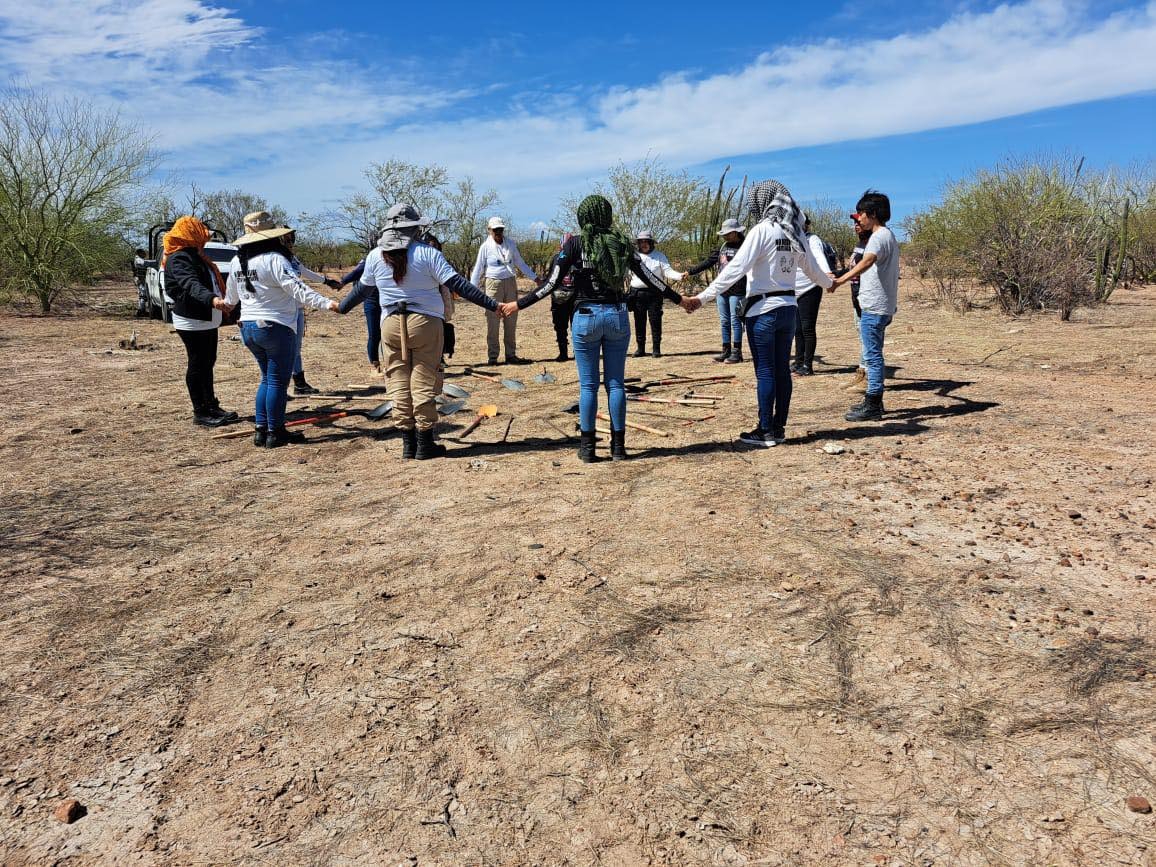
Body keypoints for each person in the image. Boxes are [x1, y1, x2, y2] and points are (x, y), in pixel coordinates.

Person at [499, 195, 689, 462]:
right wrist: (681, 300)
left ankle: (588, 449)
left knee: (588, 386)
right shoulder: (621, 243)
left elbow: (552, 282)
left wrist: (518, 304)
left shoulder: (575, 243)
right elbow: (648, 276)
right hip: (617, 316)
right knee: (616, 384)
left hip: (586, 316)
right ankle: (619, 448)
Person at [338, 204, 502, 460]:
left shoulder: (374, 256)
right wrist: (494, 306)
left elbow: (362, 290)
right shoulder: (427, 253)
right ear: (412, 228)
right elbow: (458, 284)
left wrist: (342, 308)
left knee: (398, 380)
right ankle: (425, 443)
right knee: (424, 379)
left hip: (390, 324)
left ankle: (407, 443)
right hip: (425, 323)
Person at [682, 180, 834, 447]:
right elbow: (812, 270)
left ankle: (765, 431)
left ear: (761, 202)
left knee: (765, 372)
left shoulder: (762, 231)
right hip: (788, 309)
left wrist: (701, 298)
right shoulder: (793, 232)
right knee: (782, 372)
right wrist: (830, 283)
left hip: (763, 310)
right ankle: (778, 428)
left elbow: (734, 269)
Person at [225, 222, 340, 448]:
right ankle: (276, 431)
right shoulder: (274, 259)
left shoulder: (236, 261)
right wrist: (328, 304)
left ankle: (262, 430)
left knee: (267, 379)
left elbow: (231, 299)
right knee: (277, 381)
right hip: (275, 327)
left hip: (248, 328)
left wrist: (222, 304)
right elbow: (298, 289)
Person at [829, 190, 899, 422]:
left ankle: (873, 404)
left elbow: (867, 261)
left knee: (872, 356)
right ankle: (872, 400)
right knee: (873, 354)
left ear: (873, 214)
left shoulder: (879, 237)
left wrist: (840, 281)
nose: (859, 218)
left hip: (875, 307)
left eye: (861, 213)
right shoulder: (888, 235)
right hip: (881, 306)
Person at [162, 217, 238, 427]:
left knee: (208, 362)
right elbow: (191, 284)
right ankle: (201, 412)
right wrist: (212, 299)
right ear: (190, 234)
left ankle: (211, 404)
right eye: (200, 232)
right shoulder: (179, 258)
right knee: (198, 364)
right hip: (192, 320)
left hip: (206, 318)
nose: (205, 236)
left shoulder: (195, 255)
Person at [470, 216, 539, 365]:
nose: (498, 232)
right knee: (492, 321)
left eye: (500, 229)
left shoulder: (511, 244)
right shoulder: (485, 247)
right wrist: (470, 289)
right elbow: (478, 269)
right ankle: (493, 357)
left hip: (510, 282)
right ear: (489, 230)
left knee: (511, 319)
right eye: (495, 230)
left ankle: (511, 355)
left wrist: (536, 278)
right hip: (493, 284)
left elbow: (521, 263)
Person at [686, 218, 747, 364]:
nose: (724, 236)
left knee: (735, 320)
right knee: (724, 320)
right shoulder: (722, 247)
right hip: (722, 290)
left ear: (735, 232)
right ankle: (725, 350)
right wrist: (691, 271)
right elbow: (709, 261)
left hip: (738, 289)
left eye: (727, 233)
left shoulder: (745, 247)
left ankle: (737, 352)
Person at [629, 230, 684, 358]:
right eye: (641, 242)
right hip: (637, 293)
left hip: (655, 294)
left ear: (651, 243)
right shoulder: (634, 256)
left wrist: (680, 276)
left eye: (646, 242)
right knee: (639, 322)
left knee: (655, 320)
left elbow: (668, 272)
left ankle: (656, 349)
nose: (643, 244)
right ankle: (640, 348)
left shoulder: (660, 256)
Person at [791, 217, 835, 376]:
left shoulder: (812, 239)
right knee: (797, 329)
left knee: (807, 328)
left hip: (810, 288)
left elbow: (818, 256)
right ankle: (798, 361)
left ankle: (807, 366)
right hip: (794, 290)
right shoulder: (792, 240)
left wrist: (827, 273)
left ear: (806, 224)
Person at [842, 222, 873, 393]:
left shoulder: (872, 245)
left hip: (867, 297)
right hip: (856, 296)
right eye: (854, 222)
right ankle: (861, 373)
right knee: (862, 335)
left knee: (867, 337)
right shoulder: (860, 245)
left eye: (859, 222)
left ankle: (868, 378)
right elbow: (852, 270)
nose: (856, 225)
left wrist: (839, 280)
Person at [336, 257, 380, 376]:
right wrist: (343, 282)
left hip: (389, 300)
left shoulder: (397, 257)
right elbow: (357, 272)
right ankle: (374, 365)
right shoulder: (372, 257)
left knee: (388, 334)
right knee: (374, 334)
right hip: (371, 299)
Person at [548, 233, 577, 361]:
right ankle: (563, 352)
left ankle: (578, 353)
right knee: (560, 326)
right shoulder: (555, 258)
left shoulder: (578, 259)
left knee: (576, 326)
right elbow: (551, 277)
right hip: (558, 297)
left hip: (575, 297)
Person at [132, 248, 150, 318]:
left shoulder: (138, 259)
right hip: (140, 279)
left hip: (140, 279)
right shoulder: (138, 259)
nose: (145, 254)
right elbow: (143, 263)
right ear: (140, 253)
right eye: (143, 253)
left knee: (142, 295)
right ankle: (141, 311)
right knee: (143, 295)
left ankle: (141, 310)